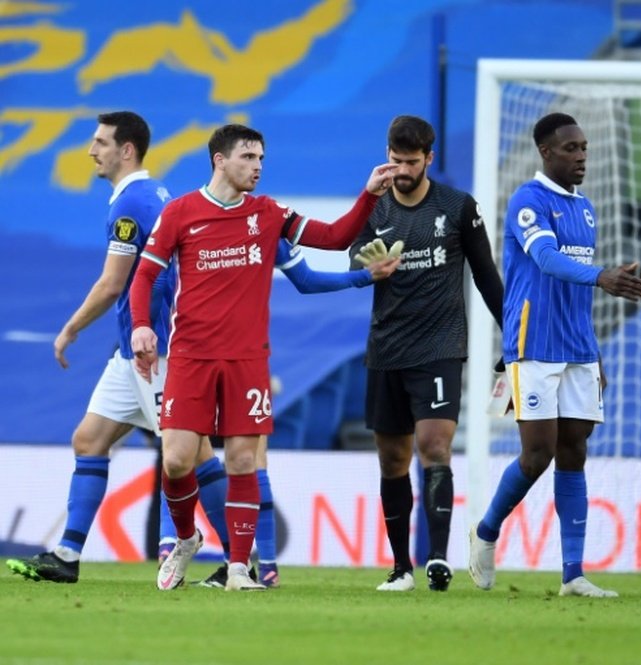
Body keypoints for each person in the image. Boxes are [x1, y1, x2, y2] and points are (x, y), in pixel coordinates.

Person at [129, 123, 397, 591]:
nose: (257, 167)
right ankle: (187, 537)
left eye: (261, 159)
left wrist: (369, 197)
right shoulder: (180, 213)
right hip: (191, 356)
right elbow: (143, 278)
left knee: (241, 461)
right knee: (176, 460)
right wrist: (141, 326)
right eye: (248, 157)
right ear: (220, 160)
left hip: (247, 359)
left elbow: (334, 237)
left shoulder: (268, 214)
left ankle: (238, 569)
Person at [2, 111, 227, 583]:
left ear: (127, 150)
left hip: (158, 350)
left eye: (101, 142)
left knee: (193, 456)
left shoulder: (131, 204)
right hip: (133, 351)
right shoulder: (152, 193)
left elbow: (111, 284)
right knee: (89, 439)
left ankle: (241, 562)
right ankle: (66, 557)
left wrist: (70, 329)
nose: (91, 150)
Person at [468, 113, 641, 598]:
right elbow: (547, 261)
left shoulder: (585, 208)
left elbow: (576, 288)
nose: (582, 156)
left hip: (577, 348)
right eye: (571, 148)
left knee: (575, 452)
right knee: (537, 455)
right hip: (533, 345)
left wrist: (594, 352)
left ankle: (573, 574)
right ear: (546, 152)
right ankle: (486, 531)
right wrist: (602, 275)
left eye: (584, 148)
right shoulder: (528, 201)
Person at [347, 115, 504, 592]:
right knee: (392, 461)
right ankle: (401, 567)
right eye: (395, 161)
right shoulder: (374, 206)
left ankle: (437, 558)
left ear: (429, 159)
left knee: (434, 447)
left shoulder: (457, 207)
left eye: (410, 162)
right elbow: (352, 252)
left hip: (438, 346)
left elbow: (486, 276)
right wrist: (369, 263)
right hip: (387, 348)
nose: (400, 170)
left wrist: (513, 337)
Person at [193, 239, 400, 589]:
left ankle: (261, 564)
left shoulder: (259, 224)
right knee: (186, 453)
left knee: (243, 459)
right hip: (198, 355)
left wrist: (363, 275)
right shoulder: (198, 224)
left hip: (240, 355)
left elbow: (315, 264)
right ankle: (196, 553)